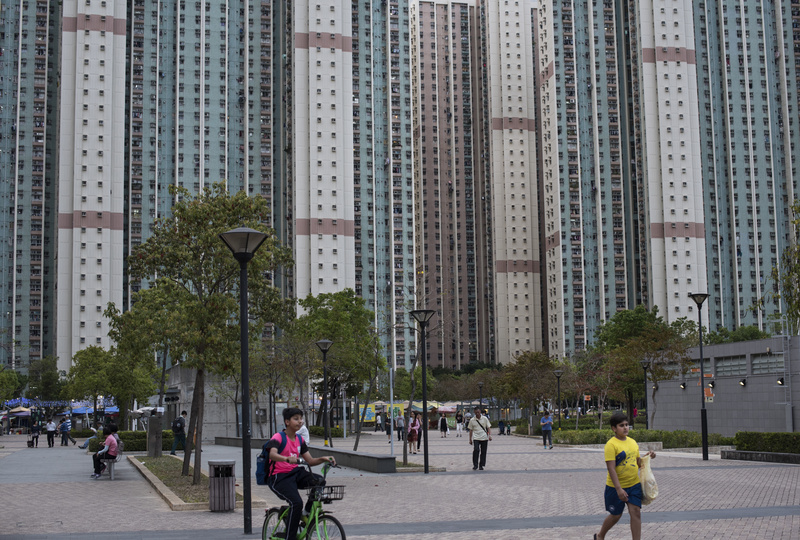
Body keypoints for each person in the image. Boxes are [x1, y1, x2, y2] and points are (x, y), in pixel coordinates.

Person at [266, 407, 335, 540]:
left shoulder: (299, 439)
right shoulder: (278, 437)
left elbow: (309, 460)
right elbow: (272, 454)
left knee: (319, 481)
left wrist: (323, 459)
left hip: (295, 473)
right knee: (296, 502)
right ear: (287, 421)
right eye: (296, 419)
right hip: (279, 477)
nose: (300, 422)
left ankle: (306, 513)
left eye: (301, 419)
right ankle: (290, 537)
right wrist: (286, 458)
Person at [594, 412, 656, 540]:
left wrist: (648, 456)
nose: (625, 427)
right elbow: (611, 468)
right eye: (621, 425)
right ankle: (600, 536)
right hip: (615, 487)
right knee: (616, 515)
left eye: (627, 425)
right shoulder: (611, 445)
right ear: (614, 428)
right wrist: (618, 489)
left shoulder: (633, 442)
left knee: (636, 513)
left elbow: (637, 462)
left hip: (633, 485)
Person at [467, 405, 492, 470]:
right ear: (474, 413)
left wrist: (490, 435)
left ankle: (481, 465)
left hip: (484, 437)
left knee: (483, 452)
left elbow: (488, 427)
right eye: (476, 413)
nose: (477, 414)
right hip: (476, 437)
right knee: (476, 450)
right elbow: (470, 430)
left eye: (478, 412)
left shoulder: (485, 418)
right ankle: (475, 464)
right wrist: (470, 439)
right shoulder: (472, 420)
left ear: (480, 411)